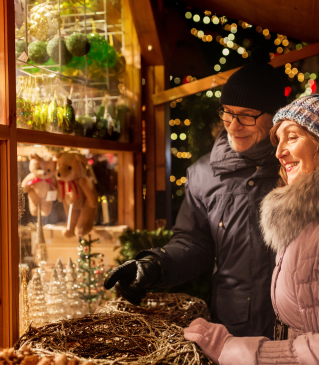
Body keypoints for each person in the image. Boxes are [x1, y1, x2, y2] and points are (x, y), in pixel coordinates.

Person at [184, 86, 319, 365]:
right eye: (277, 140)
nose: (279, 152)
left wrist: (230, 349)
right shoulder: (316, 214)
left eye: (292, 137)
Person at [104, 47, 287, 338]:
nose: (234, 126)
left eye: (247, 116)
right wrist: (154, 264)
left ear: (275, 117)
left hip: (297, 332)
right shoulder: (204, 174)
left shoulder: (297, 166)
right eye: (227, 114)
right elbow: (194, 242)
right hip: (236, 331)